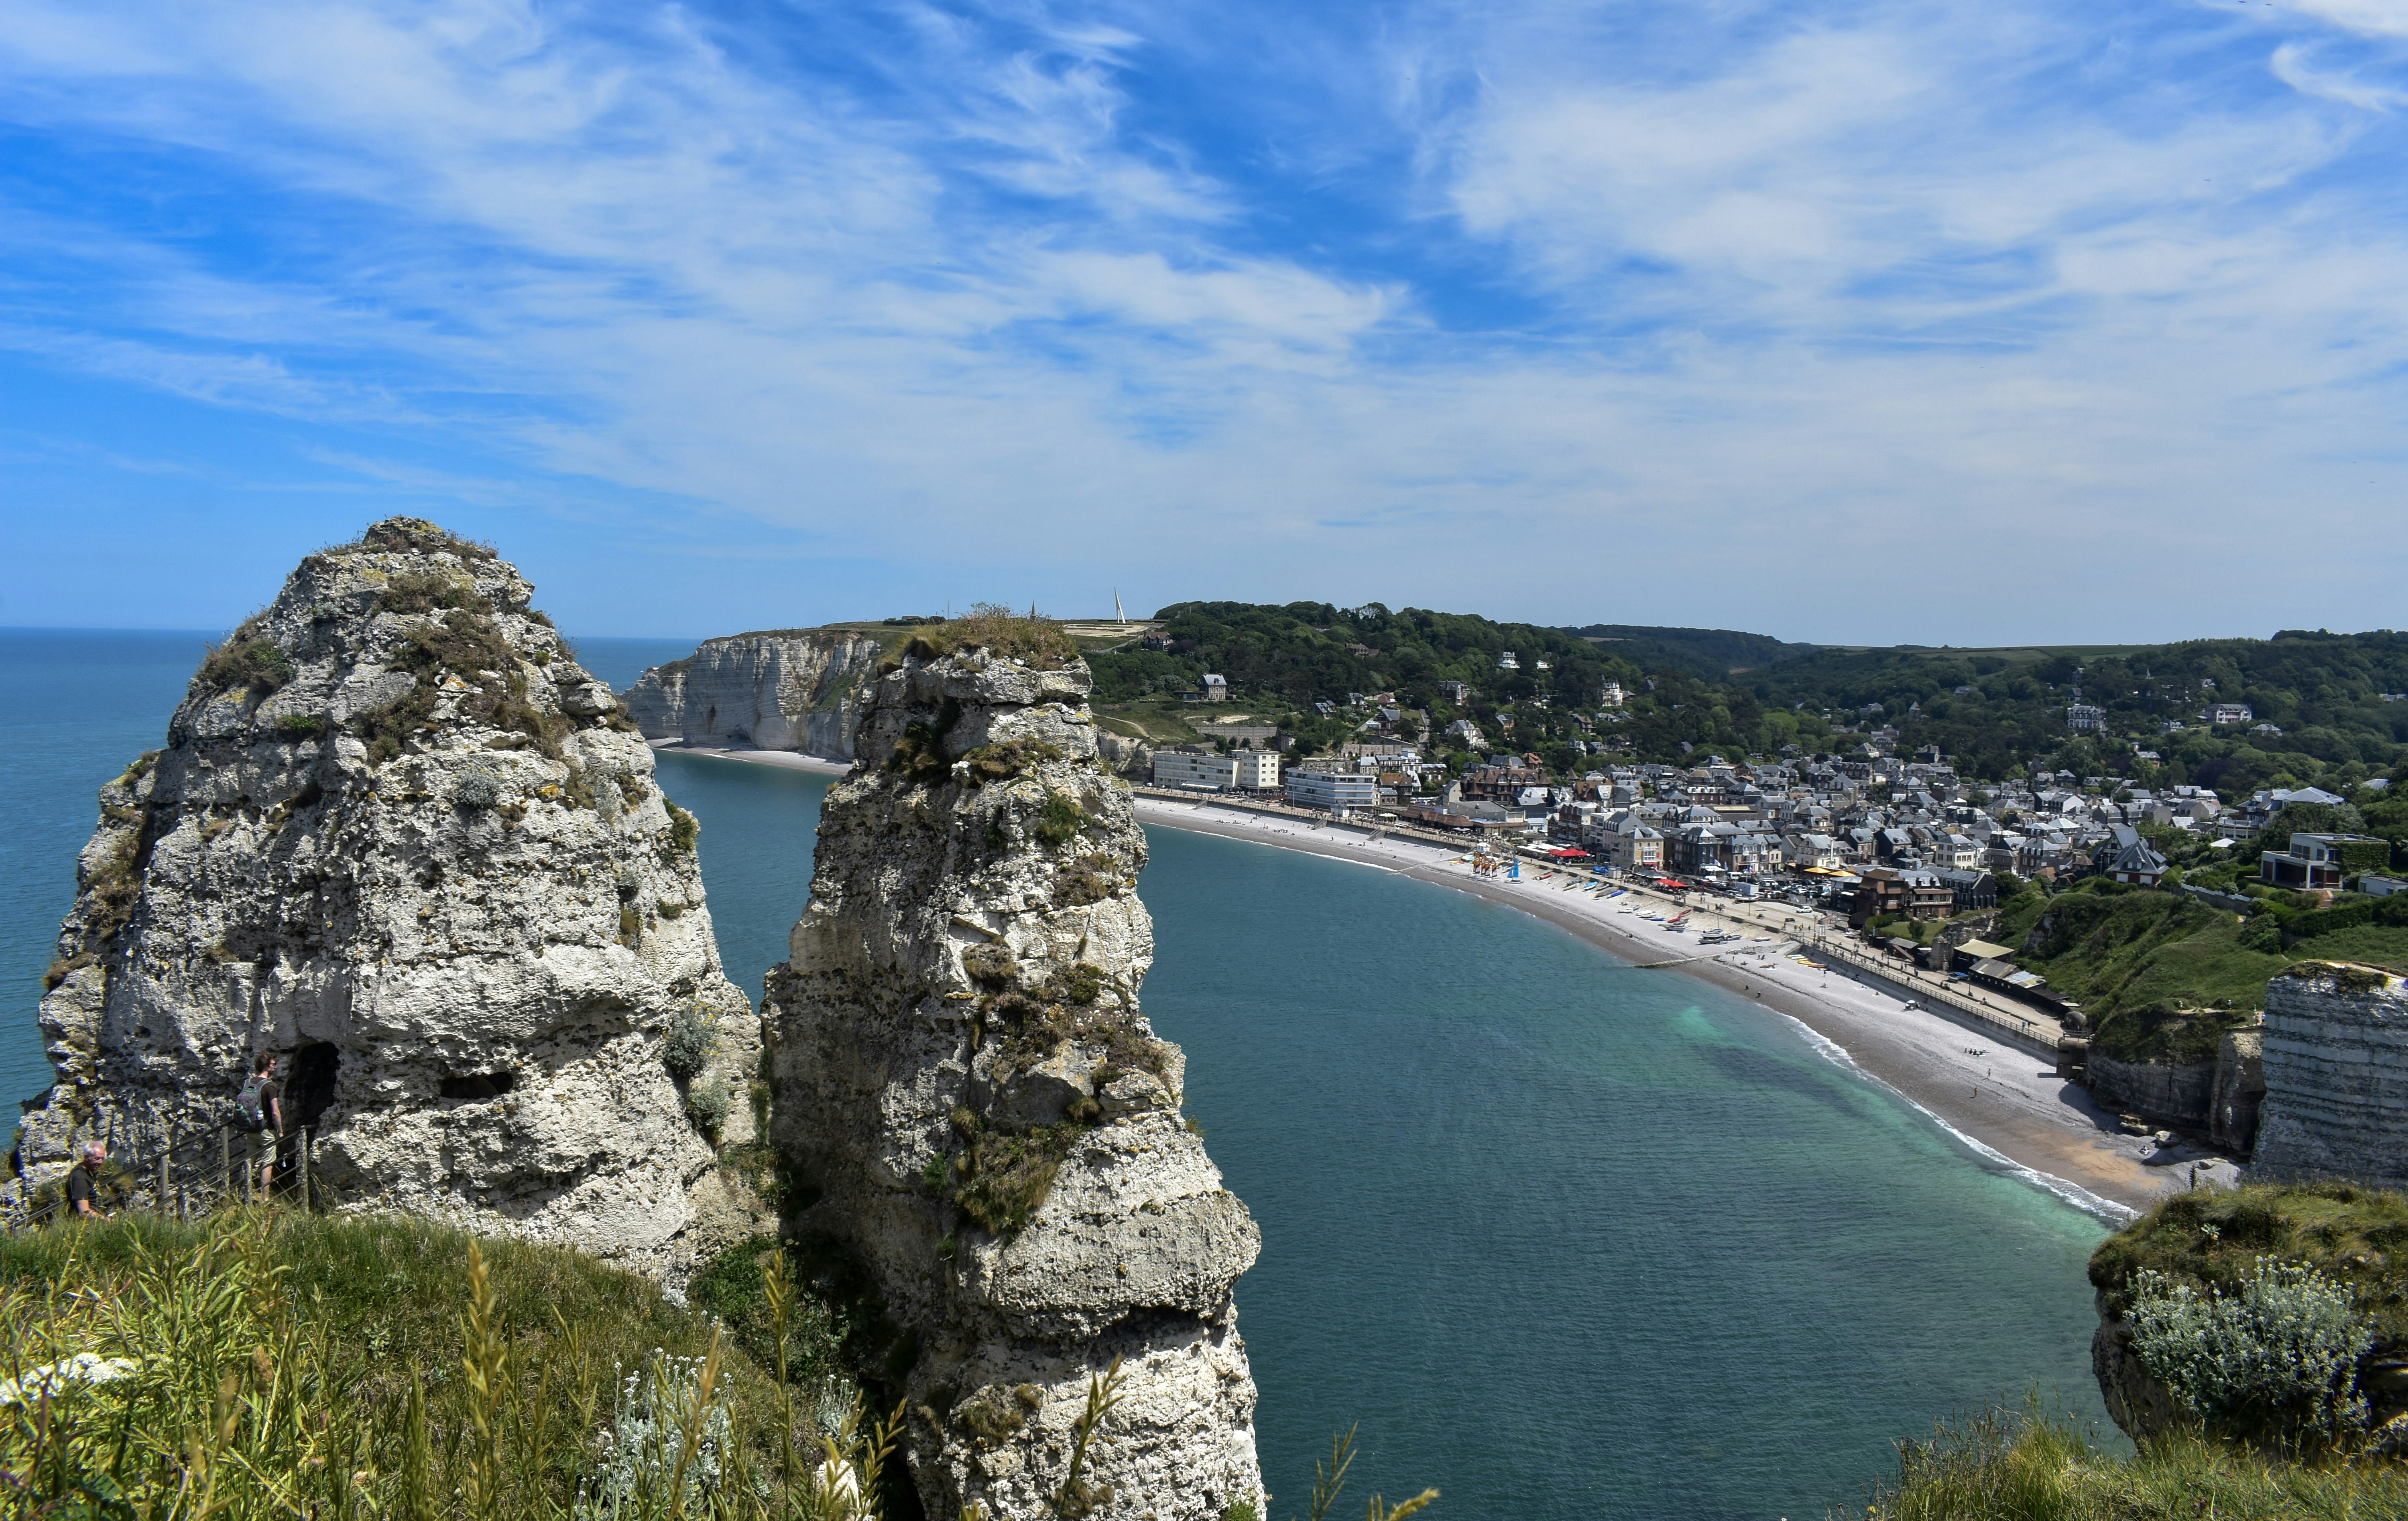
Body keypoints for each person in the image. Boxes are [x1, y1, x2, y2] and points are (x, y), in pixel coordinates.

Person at [239, 1051, 285, 1198]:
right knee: (268, 1163)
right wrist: (280, 1131)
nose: (275, 1067)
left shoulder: (248, 1082)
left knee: (249, 1161)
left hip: (250, 1128)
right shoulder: (270, 1086)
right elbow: (275, 1112)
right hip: (266, 1130)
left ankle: (244, 1193)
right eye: (273, 1064)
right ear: (266, 1066)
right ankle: (265, 1198)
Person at [64, 1141, 108, 1221]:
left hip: (94, 1222)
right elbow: (84, 1212)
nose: (101, 1162)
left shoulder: (89, 1172)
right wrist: (107, 1220)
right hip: (86, 1225)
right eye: (97, 1158)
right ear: (87, 1158)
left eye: (102, 1159)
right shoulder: (80, 1177)